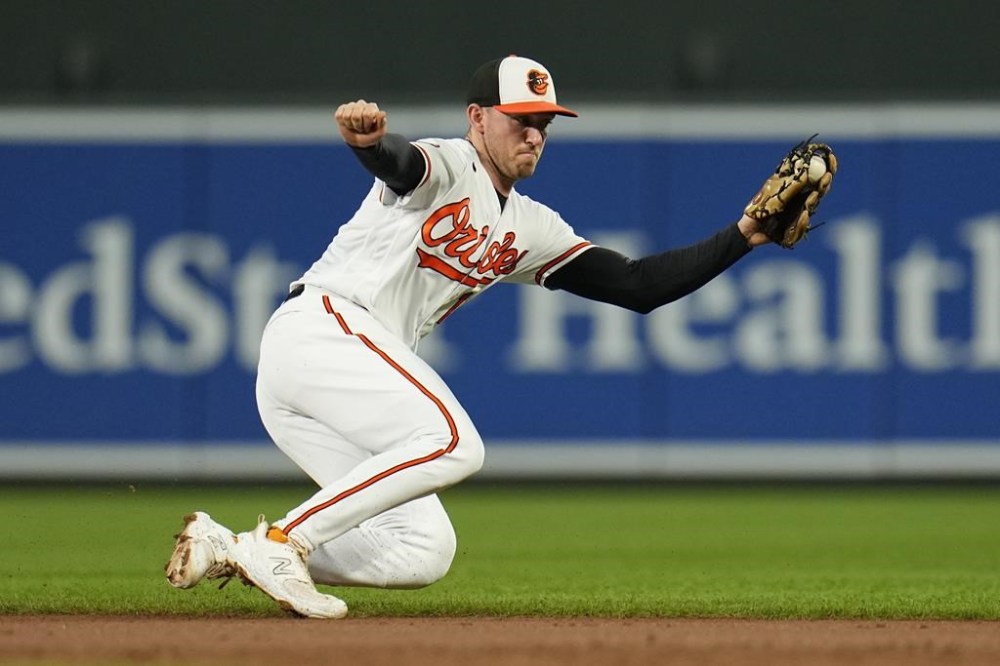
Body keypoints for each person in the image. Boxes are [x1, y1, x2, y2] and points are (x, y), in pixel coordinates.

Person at [166, 54, 782, 618]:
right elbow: (405, 165)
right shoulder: (453, 163)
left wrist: (745, 234)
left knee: (423, 549)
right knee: (454, 441)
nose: (534, 134)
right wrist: (372, 145)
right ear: (478, 118)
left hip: (331, 377)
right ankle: (284, 543)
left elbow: (638, 285)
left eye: (543, 122)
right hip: (325, 329)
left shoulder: (531, 225)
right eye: (519, 119)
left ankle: (233, 547)